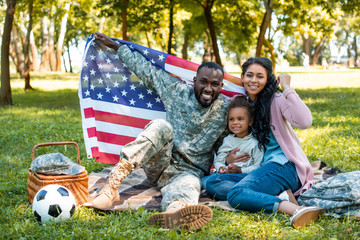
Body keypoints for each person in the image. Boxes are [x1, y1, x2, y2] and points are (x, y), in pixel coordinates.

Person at [90, 32, 247, 231]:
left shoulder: (227, 112)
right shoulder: (177, 91)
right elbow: (146, 70)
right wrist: (115, 46)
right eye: (204, 82)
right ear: (195, 80)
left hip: (188, 172)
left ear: (221, 87)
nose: (208, 88)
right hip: (159, 162)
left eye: (215, 84)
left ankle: (176, 212)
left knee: (189, 186)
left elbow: (228, 143)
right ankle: (112, 187)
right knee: (160, 126)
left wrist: (229, 161)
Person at [203, 57, 324, 228]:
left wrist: (288, 88)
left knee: (236, 194)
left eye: (260, 76)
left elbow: (305, 121)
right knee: (212, 182)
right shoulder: (245, 104)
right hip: (261, 168)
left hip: (284, 166)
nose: (253, 80)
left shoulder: (276, 100)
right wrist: (229, 161)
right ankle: (278, 196)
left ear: (268, 79)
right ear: (242, 77)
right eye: (249, 75)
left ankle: (295, 209)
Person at [213, 95, 264, 174]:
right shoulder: (228, 140)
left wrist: (240, 170)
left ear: (250, 122)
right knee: (208, 181)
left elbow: (258, 166)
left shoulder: (254, 143)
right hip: (226, 175)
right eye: (231, 119)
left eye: (240, 119)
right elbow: (219, 160)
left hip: (244, 176)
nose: (235, 122)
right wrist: (221, 168)